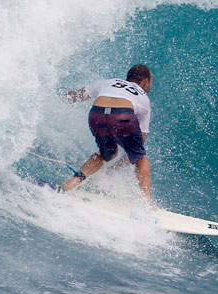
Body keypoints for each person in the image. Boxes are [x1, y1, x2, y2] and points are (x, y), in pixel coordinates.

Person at [61, 64, 154, 202]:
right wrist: (115, 169)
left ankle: (72, 183)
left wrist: (55, 100)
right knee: (141, 157)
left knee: (106, 154)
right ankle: (147, 202)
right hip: (122, 114)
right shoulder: (144, 98)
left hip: (96, 114)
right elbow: (138, 147)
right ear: (144, 81)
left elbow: (76, 96)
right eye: (150, 84)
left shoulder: (109, 82)